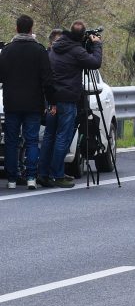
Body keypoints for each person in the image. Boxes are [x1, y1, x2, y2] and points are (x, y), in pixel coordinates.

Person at [38, 21, 102, 189]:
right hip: (67, 98)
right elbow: (95, 63)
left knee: (49, 136)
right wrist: (96, 45)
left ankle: (43, 173)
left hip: (52, 98)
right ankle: (58, 175)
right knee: (62, 136)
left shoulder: (55, 48)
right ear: (81, 36)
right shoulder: (76, 51)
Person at [0, 15, 56, 190]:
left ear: (16, 29)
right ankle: (31, 177)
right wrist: (52, 102)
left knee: (11, 141)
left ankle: (11, 179)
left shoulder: (7, 51)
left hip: (12, 103)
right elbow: (47, 80)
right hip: (33, 103)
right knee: (31, 140)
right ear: (31, 29)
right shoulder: (39, 51)